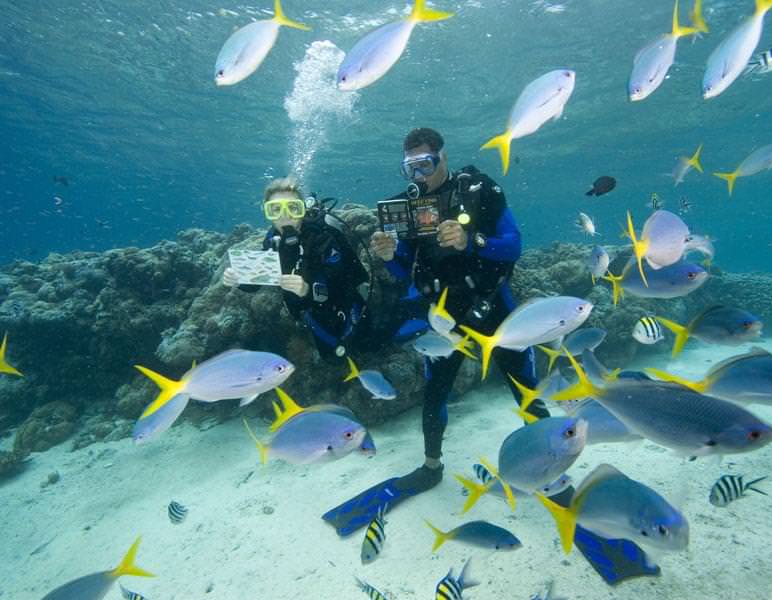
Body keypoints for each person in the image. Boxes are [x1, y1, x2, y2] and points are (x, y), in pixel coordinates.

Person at [322, 127, 550, 536]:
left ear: (443, 158)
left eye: (425, 164)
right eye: (410, 167)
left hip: (493, 305)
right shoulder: (406, 206)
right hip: (445, 317)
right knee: (436, 390)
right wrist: (390, 257)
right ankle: (431, 466)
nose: (418, 175)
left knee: (523, 385)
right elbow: (404, 266)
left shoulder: (480, 190)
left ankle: (552, 461)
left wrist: (471, 239)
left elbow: (513, 245)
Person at [223, 177, 373, 362]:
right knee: (330, 356)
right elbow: (256, 280)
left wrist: (307, 290)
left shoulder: (323, 238)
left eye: (293, 208)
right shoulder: (272, 240)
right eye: (275, 210)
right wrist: (238, 279)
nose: (285, 216)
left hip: (340, 307)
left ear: (302, 209)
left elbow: (345, 285)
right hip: (308, 312)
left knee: (360, 348)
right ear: (266, 212)